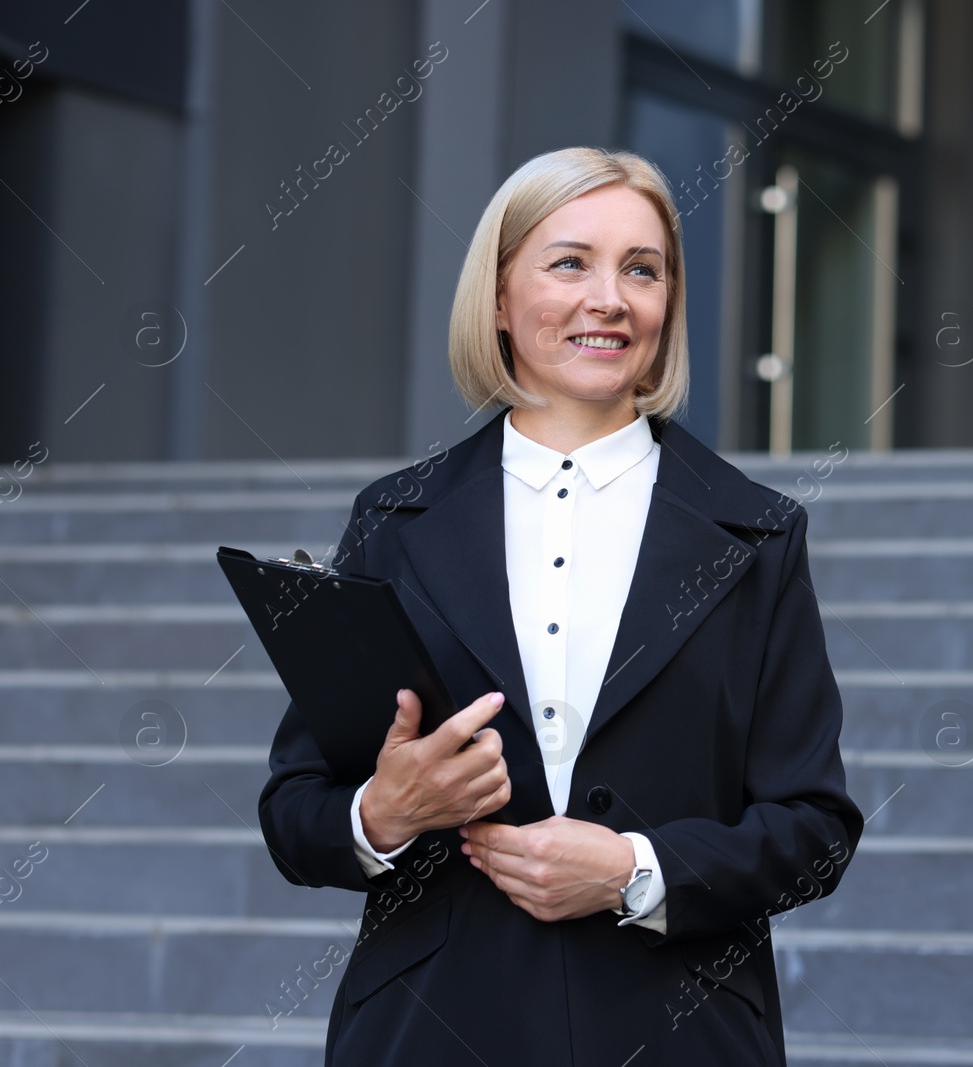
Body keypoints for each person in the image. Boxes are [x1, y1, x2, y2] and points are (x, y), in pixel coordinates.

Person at [257, 146, 864, 1066]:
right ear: (499, 298)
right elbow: (296, 811)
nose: (610, 299)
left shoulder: (761, 535)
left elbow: (815, 831)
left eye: (642, 269)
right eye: (570, 261)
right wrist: (387, 807)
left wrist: (633, 871)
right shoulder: (393, 519)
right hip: (430, 1027)